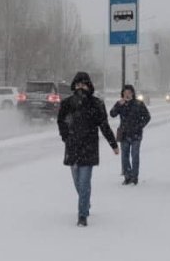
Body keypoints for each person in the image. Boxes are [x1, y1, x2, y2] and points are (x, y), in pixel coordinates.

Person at [57, 72, 119, 227]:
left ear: (89, 86)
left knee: (84, 182)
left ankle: (82, 215)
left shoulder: (96, 104)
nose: (80, 88)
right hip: (72, 147)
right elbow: (61, 122)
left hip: (89, 147)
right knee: (77, 182)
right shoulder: (67, 103)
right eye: (78, 85)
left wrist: (113, 144)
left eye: (83, 85)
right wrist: (66, 137)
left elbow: (104, 125)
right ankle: (85, 202)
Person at [110, 84, 151, 185]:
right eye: (125, 93)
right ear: (122, 94)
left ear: (133, 93)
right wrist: (119, 105)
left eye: (129, 93)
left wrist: (140, 125)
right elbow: (112, 114)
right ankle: (127, 176)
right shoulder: (120, 104)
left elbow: (147, 116)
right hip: (124, 134)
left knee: (135, 155)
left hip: (136, 134)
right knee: (124, 156)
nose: (127, 95)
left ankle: (134, 176)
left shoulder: (138, 104)